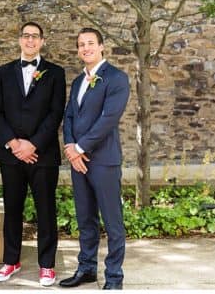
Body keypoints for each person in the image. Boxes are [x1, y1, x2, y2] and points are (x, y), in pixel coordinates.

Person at [0, 23, 67, 287]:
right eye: (26, 36)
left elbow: (55, 113)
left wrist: (32, 144)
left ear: (42, 41)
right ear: (19, 40)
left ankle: (47, 265)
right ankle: (11, 260)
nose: (30, 40)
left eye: (35, 36)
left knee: (46, 211)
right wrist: (13, 143)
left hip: (42, 155)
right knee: (12, 209)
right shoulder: (3, 72)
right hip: (11, 156)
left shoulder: (55, 73)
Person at [60, 28, 131, 290]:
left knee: (112, 221)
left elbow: (109, 119)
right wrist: (69, 147)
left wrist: (80, 147)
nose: (85, 48)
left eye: (90, 43)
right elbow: (69, 116)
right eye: (81, 44)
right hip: (79, 162)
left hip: (103, 161)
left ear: (102, 47)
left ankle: (114, 277)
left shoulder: (116, 78)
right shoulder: (79, 81)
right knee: (85, 218)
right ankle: (87, 268)